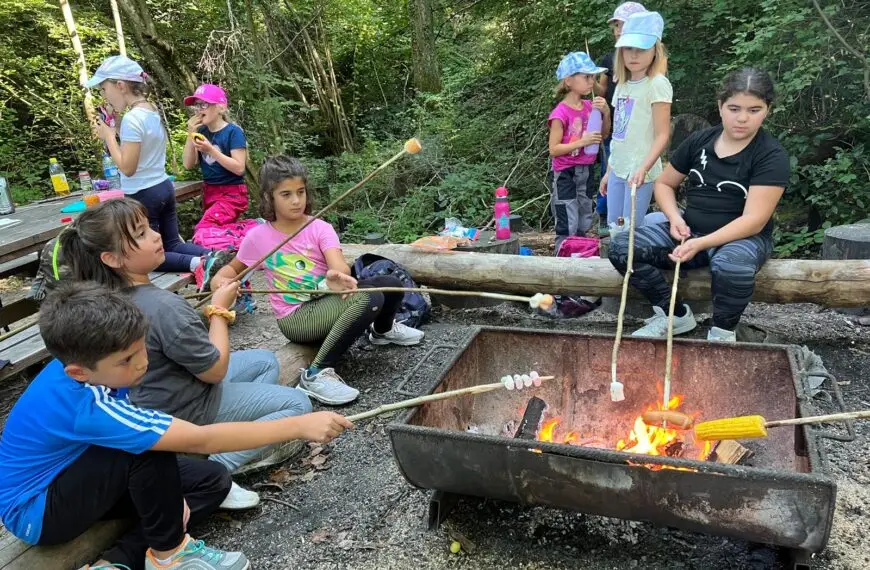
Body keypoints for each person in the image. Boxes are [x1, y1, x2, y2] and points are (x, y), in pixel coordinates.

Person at [0, 281, 352, 570]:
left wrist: (168, 496)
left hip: (85, 476)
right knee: (148, 448)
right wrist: (299, 425)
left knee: (212, 481)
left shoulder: (92, 366)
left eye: (142, 350)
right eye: (127, 360)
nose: (141, 365)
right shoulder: (85, 402)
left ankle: (118, 562)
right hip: (39, 510)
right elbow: (200, 440)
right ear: (79, 372)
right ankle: (170, 554)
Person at [59, 198, 314, 509]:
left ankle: (236, 431)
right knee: (299, 403)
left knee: (265, 361)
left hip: (161, 394)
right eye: (140, 234)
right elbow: (215, 370)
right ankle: (213, 465)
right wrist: (219, 310)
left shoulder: (107, 298)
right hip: (185, 409)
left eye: (149, 227)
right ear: (111, 258)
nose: (155, 235)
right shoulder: (164, 307)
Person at [211, 156, 425, 406]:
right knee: (371, 297)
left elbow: (339, 266)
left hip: (328, 301)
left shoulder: (319, 227)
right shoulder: (258, 237)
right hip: (296, 318)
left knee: (391, 283)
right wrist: (220, 280)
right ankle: (315, 375)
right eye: (286, 194)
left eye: (300, 192)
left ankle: (382, 331)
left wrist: (337, 275)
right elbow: (231, 271)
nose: (296, 200)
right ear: (269, 197)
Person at [608, 68, 790, 342]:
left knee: (731, 266)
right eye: (734, 108)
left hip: (744, 238)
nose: (742, 118)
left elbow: (755, 219)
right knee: (623, 248)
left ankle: (721, 333)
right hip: (690, 229)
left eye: (754, 110)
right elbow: (664, 184)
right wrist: (675, 218)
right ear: (720, 107)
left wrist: (701, 244)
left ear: (768, 110)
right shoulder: (700, 142)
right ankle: (675, 315)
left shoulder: (770, 155)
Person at [88, 55, 226, 286]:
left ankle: (200, 264)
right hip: (162, 186)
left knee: (145, 256)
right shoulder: (151, 111)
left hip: (142, 194)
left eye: (104, 88)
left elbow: (128, 168)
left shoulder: (133, 118)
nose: (104, 96)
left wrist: (110, 137)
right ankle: (213, 256)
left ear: (120, 85)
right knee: (172, 243)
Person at [599, 11, 672, 230]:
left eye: (641, 49)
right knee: (614, 226)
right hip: (618, 169)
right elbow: (619, 134)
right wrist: (608, 172)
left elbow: (663, 134)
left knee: (630, 230)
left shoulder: (657, 84)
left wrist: (643, 168)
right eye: (628, 48)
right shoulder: (621, 84)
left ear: (655, 50)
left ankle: (664, 226)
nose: (634, 55)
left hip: (641, 172)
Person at [182, 84, 259, 252]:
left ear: (221, 107)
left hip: (232, 194)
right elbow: (188, 164)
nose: (199, 110)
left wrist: (211, 150)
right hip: (210, 193)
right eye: (197, 105)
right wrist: (190, 135)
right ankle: (249, 233)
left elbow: (239, 168)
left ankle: (253, 232)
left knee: (203, 230)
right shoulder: (201, 131)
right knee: (212, 232)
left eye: (204, 105)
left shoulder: (233, 132)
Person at [548, 52, 611, 252]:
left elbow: (603, 134)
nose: (591, 81)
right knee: (568, 215)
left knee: (585, 213)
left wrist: (606, 113)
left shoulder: (588, 107)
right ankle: (563, 253)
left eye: (592, 77)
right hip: (566, 173)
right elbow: (553, 149)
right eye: (586, 77)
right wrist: (580, 142)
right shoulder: (560, 113)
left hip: (586, 170)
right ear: (568, 80)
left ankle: (580, 252)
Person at [594, 1, 647, 234]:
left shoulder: (649, 73)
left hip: (638, 145)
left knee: (630, 218)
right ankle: (605, 218)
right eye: (616, 25)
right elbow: (602, 91)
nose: (617, 29)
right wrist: (589, 80)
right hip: (615, 129)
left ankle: (633, 225)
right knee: (609, 170)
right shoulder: (610, 61)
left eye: (621, 24)